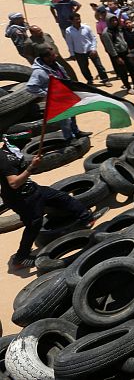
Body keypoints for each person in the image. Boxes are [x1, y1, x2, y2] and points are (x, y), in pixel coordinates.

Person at [1, 136, 98, 269]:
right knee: (34, 224)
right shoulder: (5, 159)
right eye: (25, 138)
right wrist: (31, 167)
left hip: (32, 189)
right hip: (21, 198)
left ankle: (86, 218)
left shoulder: (13, 152)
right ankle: (20, 258)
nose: (28, 141)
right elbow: (14, 183)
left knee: (61, 197)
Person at [27, 46, 92, 142]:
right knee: (65, 119)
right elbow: (31, 87)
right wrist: (47, 94)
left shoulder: (55, 64)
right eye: (53, 55)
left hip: (65, 94)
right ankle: (69, 138)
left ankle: (76, 132)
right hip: (56, 98)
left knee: (72, 114)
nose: (56, 56)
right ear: (46, 58)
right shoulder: (39, 72)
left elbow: (63, 76)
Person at [64, 13, 112, 87]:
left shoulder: (86, 27)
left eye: (79, 19)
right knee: (84, 68)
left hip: (90, 50)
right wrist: (72, 54)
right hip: (79, 52)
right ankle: (89, 80)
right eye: (76, 20)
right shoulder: (69, 31)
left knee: (99, 65)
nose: (78, 21)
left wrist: (93, 49)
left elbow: (93, 38)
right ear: (71, 21)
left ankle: (105, 79)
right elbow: (69, 43)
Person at [101, 16, 134, 94]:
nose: (115, 22)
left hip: (126, 51)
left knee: (132, 68)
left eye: (115, 20)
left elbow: (123, 39)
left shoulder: (119, 28)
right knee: (123, 71)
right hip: (118, 54)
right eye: (112, 21)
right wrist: (117, 57)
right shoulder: (106, 33)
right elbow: (110, 46)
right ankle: (128, 87)